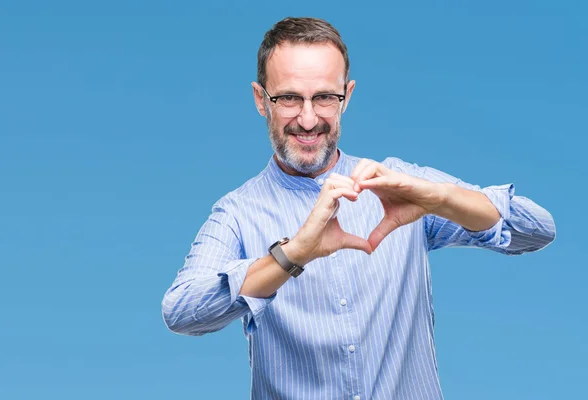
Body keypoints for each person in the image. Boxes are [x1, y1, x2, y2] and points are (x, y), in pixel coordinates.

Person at [161, 17, 555, 400]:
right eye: (289, 98)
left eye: (324, 98)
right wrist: (294, 254)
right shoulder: (236, 213)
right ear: (261, 100)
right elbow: (182, 312)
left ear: (346, 96)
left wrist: (440, 198)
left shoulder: (398, 185)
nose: (309, 118)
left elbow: (536, 229)